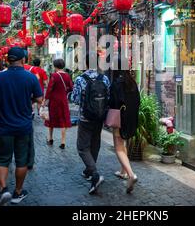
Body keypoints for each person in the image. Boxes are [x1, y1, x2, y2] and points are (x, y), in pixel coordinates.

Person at [0, 47, 43, 206]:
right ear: (23, 60)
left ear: (8, 60)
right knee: (22, 161)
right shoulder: (30, 78)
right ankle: (18, 192)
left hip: (4, 127)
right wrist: (29, 100)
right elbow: (40, 99)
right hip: (24, 127)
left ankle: (3, 190)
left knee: (2, 159)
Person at [70, 53, 110, 195]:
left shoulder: (80, 79)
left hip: (85, 117)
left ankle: (94, 173)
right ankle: (88, 170)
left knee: (82, 147)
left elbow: (74, 99)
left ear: (85, 63)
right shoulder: (104, 78)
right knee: (95, 143)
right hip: (99, 118)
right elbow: (108, 97)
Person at [108, 65, 140, 194]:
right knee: (124, 143)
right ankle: (123, 171)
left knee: (118, 147)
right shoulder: (132, 82)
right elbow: (138, 101)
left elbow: (113, 102)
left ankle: (131, 175)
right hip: (131, 118)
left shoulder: (116, 83)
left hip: (119, 118)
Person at [44, 58, 73, 149]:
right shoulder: (67, 76)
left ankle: (50, 138)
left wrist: (46, 99)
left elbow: (49, 89)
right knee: (63, 120)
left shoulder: (54, 75)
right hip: (63, 100)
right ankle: (63, 142)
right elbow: (71, 87)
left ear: (55, 66)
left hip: (54, 101)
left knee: (51, 119)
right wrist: (64, 91)